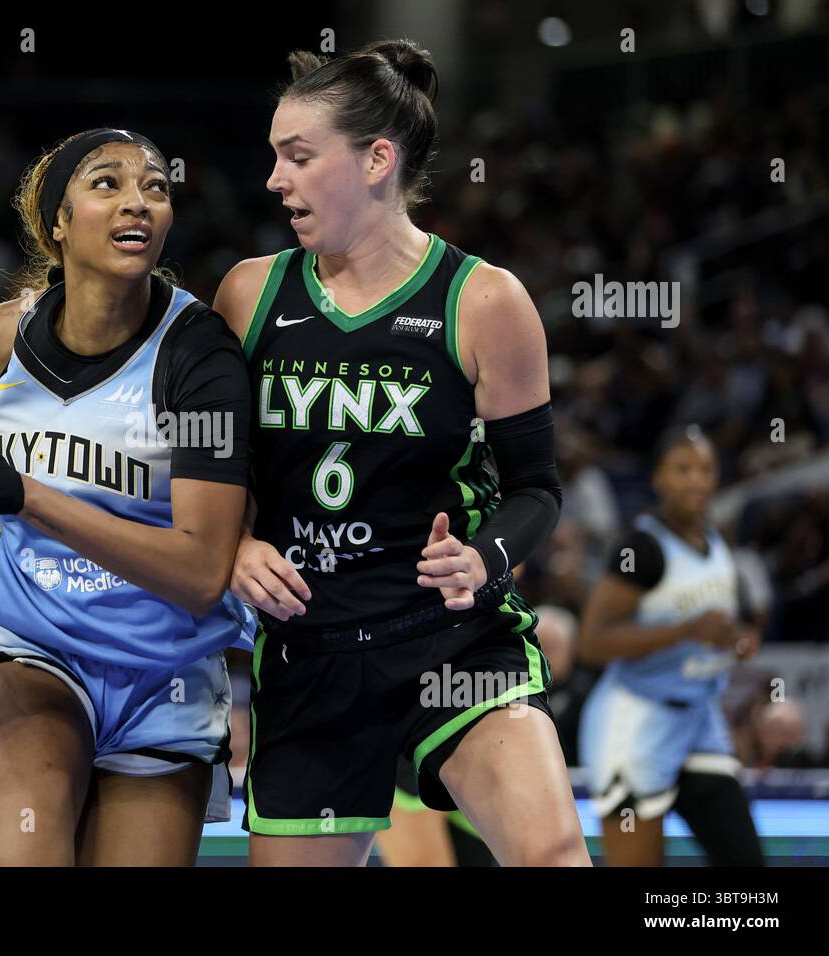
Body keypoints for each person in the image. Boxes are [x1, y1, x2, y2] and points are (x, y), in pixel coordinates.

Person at [215, 38, 588, 866]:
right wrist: (234, 545)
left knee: (553, 854)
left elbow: (538, 487)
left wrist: (483, 557)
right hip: (310, 652)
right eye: (275, 156)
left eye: (299, 156)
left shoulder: (485, 300)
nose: (276, 178)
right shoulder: (249, 293)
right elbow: (216, 473)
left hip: (449, 640)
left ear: (378, 159)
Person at [0, 128, 253, 865]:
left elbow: (202, 575)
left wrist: (23, 494)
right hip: (36, 653)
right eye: (107, 184)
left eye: (158, 187)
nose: (139, 200)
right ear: (58, 223)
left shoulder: (201, 357)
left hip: (163, 678)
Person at [579, 426, 764, 866]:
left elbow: (712, 627)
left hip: (699, 721)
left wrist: (736, 639)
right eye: (682, 469)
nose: (695, 480)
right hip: (634, 724)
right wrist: (684, 631)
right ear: (658, 478)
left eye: (704, 469)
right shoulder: (640, 547)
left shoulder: (718, 541)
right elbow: (592, 642)